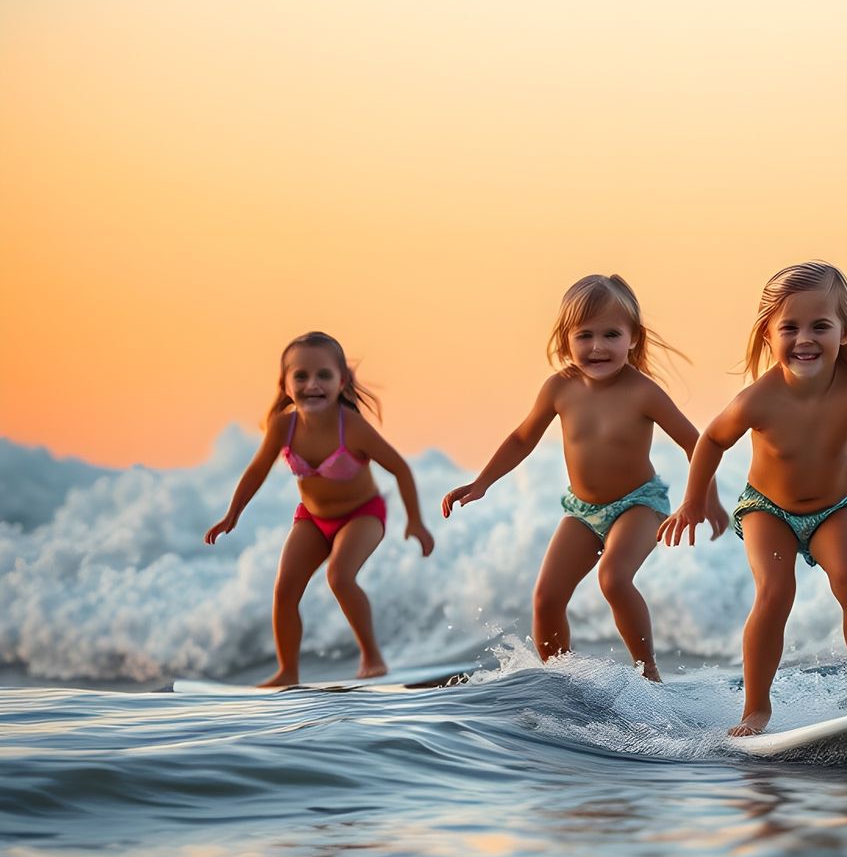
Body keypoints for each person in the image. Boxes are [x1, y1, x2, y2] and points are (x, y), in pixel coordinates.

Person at [658, 261, 847, 734]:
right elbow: (712, 440)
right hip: (768, 509)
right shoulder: (758, 397)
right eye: (790, 327)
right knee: (775, 591)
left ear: (845, 333)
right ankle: (756, 709)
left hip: (837, 508)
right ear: (768, 334)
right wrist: (693, 501)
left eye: (820, 326)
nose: (804, 338)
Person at [441, 274, 726, 680]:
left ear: (633, 338)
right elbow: (523, 437)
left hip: (639, 504)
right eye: (585, 335)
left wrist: (700, 499)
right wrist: (482, 481)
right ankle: (560, 681)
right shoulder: (559, 388)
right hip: (582, 510)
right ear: (565, 340)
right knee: (546, 598)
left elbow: (696, 443)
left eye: (611, 334)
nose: (597, 346)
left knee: (613, 578)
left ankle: (650, 677)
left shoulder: (643, 392)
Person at [206, 331, 435, 688]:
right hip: (313, 519)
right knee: (284, 590)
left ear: (341, 381)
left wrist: (416, 522)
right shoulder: (283, 426)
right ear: (284, 384)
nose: (312, 384)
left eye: (323, 375)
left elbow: (400, 468)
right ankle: (288, 672)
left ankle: (372, 657)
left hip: (363, 515)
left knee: (340, 577)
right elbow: (256, 470)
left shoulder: (352, 427)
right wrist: (232, 514)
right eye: (301, 376)